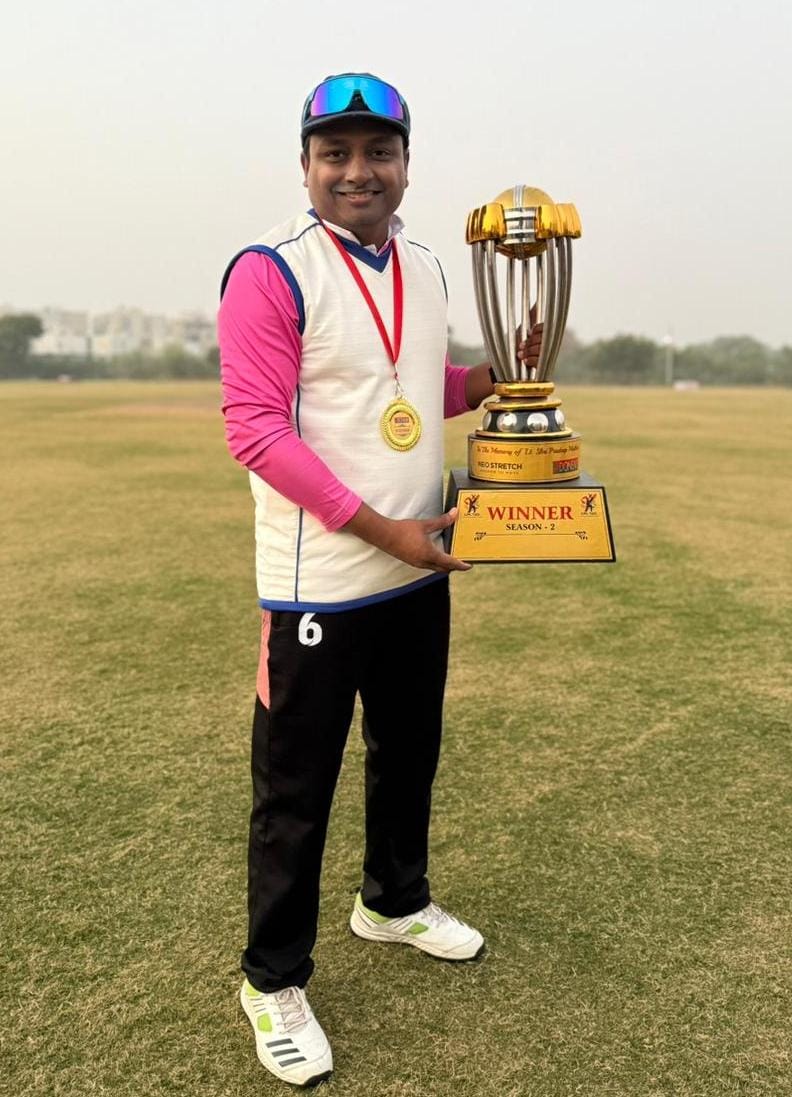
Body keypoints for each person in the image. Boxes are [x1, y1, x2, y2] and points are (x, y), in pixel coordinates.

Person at [218, 72, 542, 1087]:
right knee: (295, 789)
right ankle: (273, 977)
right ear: (306, 164)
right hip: (318, 583)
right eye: (336, 153)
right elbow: (255, 428)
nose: (358, 170)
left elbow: (407, 388)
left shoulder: (430, 266)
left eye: (378, 152)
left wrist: (498, 377)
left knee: (408, 753)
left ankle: (393, 901)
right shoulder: (270, 270)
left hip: (416, 573)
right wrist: (380, 529)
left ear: (406, 163)